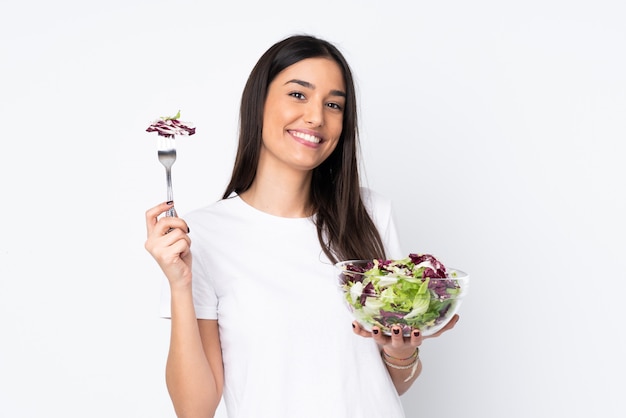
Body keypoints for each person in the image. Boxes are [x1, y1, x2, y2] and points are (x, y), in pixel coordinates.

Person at [144, 34, 459, 418]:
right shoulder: (202, 236)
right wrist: (180, 285)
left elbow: (384, 385)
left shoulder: (370, 213)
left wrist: (402, 351)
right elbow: (195, 409)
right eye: (298, 95)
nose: (316, 117)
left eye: (333, 104)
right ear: (258, 103)